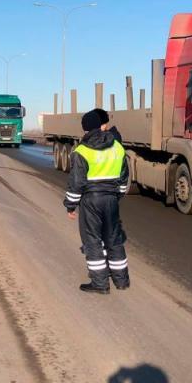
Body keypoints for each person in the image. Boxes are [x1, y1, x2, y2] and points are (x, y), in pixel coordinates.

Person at [64, 108, 129, 294]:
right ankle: (121, 280)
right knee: (114, 239)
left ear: (86, 129)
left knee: (92, 241)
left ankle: (100, 284)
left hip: (91, 200)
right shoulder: (117, 146)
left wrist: (70, 205)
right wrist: (117, 196)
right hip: (111, 199)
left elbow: (76, 183)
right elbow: (124, 177)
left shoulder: (81, 151)